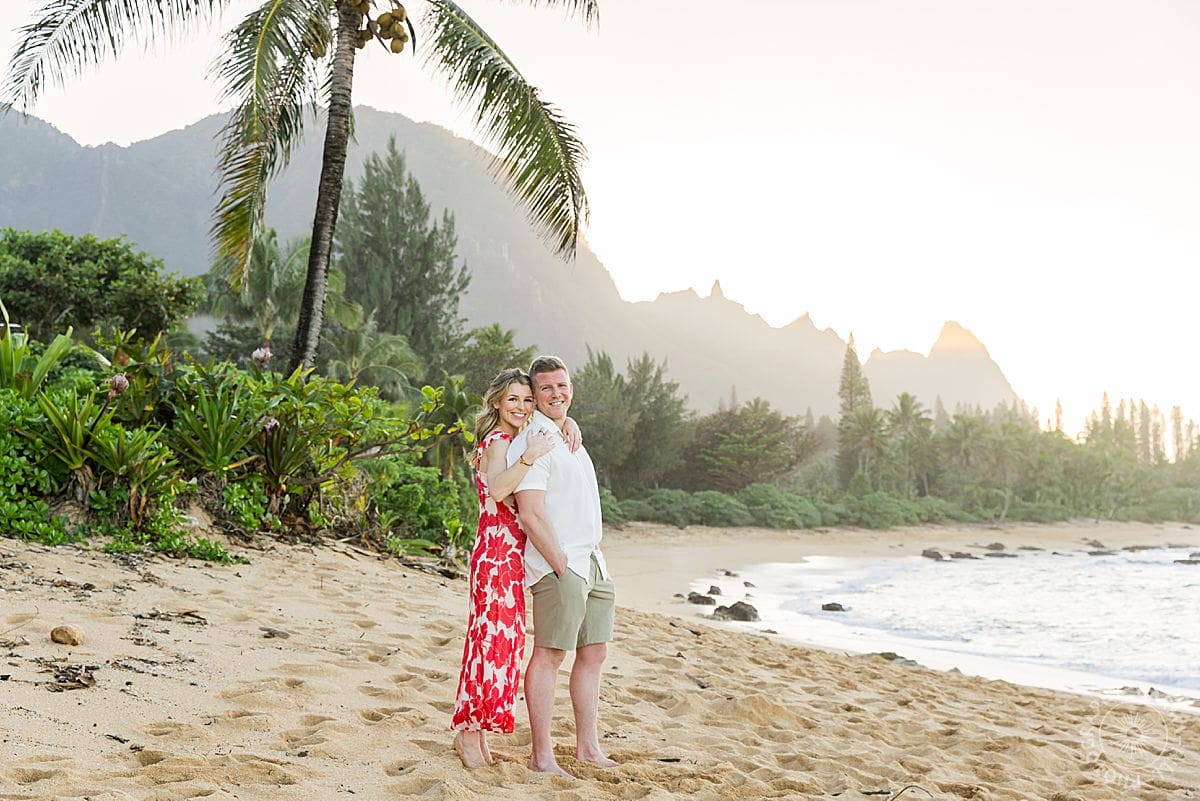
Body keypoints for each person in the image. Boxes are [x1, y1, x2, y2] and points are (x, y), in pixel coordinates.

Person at [449, 368, 581, 768]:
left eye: (527, 399)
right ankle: (468, 736)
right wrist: (530, 456)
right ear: (496, 403)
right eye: (513, 400)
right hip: (494, 554)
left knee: (504, 647)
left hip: (509, 556)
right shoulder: (498, 440)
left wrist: (568, 422)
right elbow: (498, 489)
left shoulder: (511, 437)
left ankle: (479, 735)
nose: (522, 407)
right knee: (488, 644)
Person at [508, 355, 617, 776]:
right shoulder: (532, 441)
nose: (556, 393)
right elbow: (530, 513)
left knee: (594, 653)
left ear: (571, 388)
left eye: (562, 385)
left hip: (594, 562)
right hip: (563, 565)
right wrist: (561, 565)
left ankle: (588, 748)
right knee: (551, 654)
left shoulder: (570, 436)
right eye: (547, 388)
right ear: (534, 396)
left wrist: (584, 563)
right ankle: (541, 756)